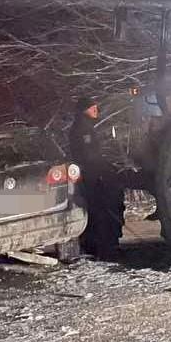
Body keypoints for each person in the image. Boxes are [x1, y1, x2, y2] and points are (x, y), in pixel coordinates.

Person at [69, 98, 124, 261]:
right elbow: (88, 155)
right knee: (99, 211)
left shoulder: (84, 126)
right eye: (92, 107)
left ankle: (99, 245)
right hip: (92, 177)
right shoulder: (83, 128)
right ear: (85, 109)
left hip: (92, 175)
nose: (96, 110)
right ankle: (102, 247)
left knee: (97, 211)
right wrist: (103, 170)